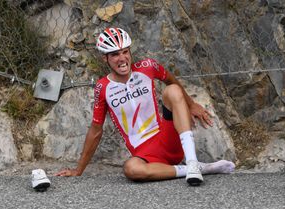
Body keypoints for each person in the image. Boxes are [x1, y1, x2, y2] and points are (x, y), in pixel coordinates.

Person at [55, 27, 235, 186]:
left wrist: (191, 104)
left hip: (168, 137)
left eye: (125, 52)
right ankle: (199, 169)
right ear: (105, 59)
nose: (122, 58)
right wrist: (78, 170)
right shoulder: (103, 88)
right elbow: (95, 131)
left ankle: (192, 162)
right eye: (115, 54)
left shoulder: (147, 67)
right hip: (146, 155)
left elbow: (171, 80)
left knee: (171, 90)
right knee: (131, 169)